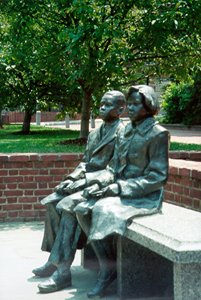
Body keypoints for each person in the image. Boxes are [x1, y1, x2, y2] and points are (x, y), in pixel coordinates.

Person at [75, 85, 170, 299]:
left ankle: (107, 272)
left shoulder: (158, 134)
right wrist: (99, 184)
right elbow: (113, 167)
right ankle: (108, 265)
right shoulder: (125, 130)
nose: (132, 108)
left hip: (144, 195)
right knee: (81, 208)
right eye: (131, 104)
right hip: (119, 188)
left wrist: (118, 188)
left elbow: (157, 178)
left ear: (149, 106)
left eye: (137, 104)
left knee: (102, 209)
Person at [32, 90, 126, 293]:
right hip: (87, 182)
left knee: (67, 206)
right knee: (52, 202)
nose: (102, 108)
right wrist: (71, 179)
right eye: (101, 104)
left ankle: (63, 271)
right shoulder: (93, 134)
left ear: (120, 109)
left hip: (105, 187)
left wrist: (83, 183)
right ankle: (54, 261)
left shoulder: (123, 133)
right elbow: (85, 163)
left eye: (108, 105)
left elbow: (114, 169)